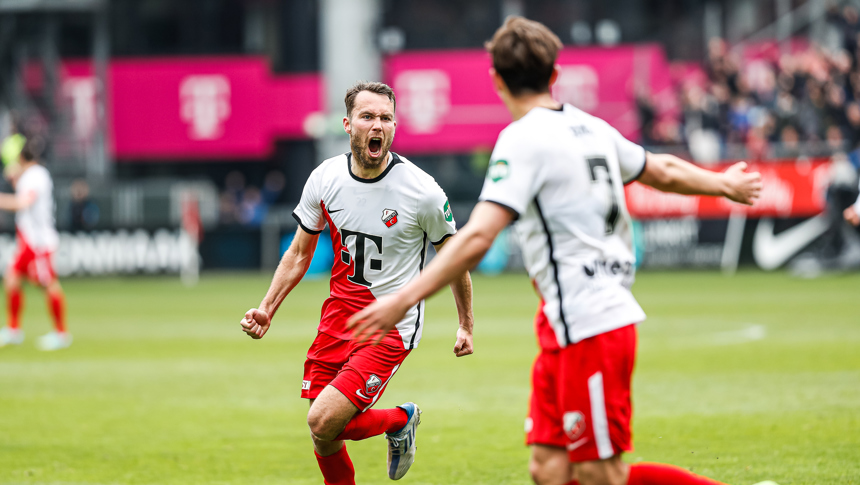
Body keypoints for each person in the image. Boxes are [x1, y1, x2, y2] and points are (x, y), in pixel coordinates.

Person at [348, 17, 772, 485]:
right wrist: (723, 184)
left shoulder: (523, 139)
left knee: (601, 473)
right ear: (554, 74)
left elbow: (479, 235)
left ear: (496, 79)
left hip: (593, 321)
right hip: (562, 321)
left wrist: (405, 299)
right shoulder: (591, 127)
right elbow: (662, 170)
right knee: (548, 470)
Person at [239, 81, 475, 484]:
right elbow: (299, 253)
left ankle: (400, 419)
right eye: (367, 116)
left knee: (322, 420)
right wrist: (267, 308)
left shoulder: (422, 192)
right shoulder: (326, 178)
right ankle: (399, 421)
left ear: (395, 126)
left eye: (386, 118)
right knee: (325, 436)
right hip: (338, 317)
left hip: (390, 326)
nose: (377, 125)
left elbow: (455, 259)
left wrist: (466, 324)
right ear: (348, 124)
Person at [0, 141, 70, 351]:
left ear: (21, 157)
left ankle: (61, 334)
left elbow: (23, 203)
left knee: (48, 284)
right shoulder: (32, 175)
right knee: (12, 279)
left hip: (38, 242)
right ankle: (13, 330)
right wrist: (14, 179)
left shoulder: (36, 176)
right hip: (28, 239)